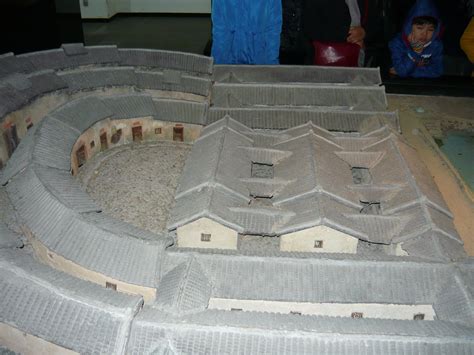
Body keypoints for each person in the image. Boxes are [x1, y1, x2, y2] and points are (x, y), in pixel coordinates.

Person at [211, 0, 282, 65]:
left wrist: (272, 62)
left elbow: (273, 29)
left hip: (260, 58)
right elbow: (219, 29)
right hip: (229, 59)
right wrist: (217, 63)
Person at [302, 0, 366, 66]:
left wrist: (364, 32)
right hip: (328, 62)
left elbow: (373, 23)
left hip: (360, 60)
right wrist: (349, 35)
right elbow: (310, 27)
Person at [389, 0, 443, 78]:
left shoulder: (436, 45)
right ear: (409, 27)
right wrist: (416, 51)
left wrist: (410, 72)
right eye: (420, 28)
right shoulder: (397, 43)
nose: (424, 34)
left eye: (430, 30)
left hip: (426, 87)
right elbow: (403, 71)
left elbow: (437, 72)